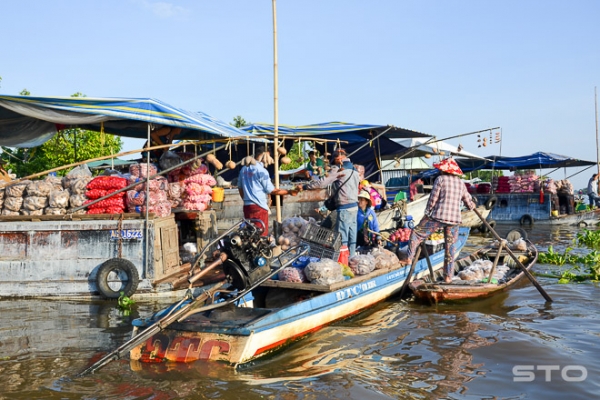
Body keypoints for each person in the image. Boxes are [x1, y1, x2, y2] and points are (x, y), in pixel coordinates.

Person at [401, 157, 476, 283]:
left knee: (416, 233)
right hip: (454, 220)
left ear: (444, 171)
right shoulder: (460, 183)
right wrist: (472, 205)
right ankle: (448, 277)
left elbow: (432, 200)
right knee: (450, 249)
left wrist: (427, 213)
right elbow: (469, 204)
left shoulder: (440, 179)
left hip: (439, 216)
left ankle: (409, 258)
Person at [296, 148, 360, 256]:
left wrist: (305, 186)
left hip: (344, 208)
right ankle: (352, 257)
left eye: (334, 159)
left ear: (338, 157)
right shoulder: (355, 169)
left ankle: (343, 260)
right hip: (354, 207)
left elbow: (322, 183)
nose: (333, 162)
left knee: (342, 237)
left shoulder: (339, 169)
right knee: (352, 236)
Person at [238, 146, 298, 236]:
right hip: (259, 207)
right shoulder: (262, 171)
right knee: (260, 234)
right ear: (265, 155)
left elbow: (240, 187)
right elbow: (272, 190)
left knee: (250, 234)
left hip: (247, 206)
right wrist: (289, 192)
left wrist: (246, 199)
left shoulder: (244, 169)